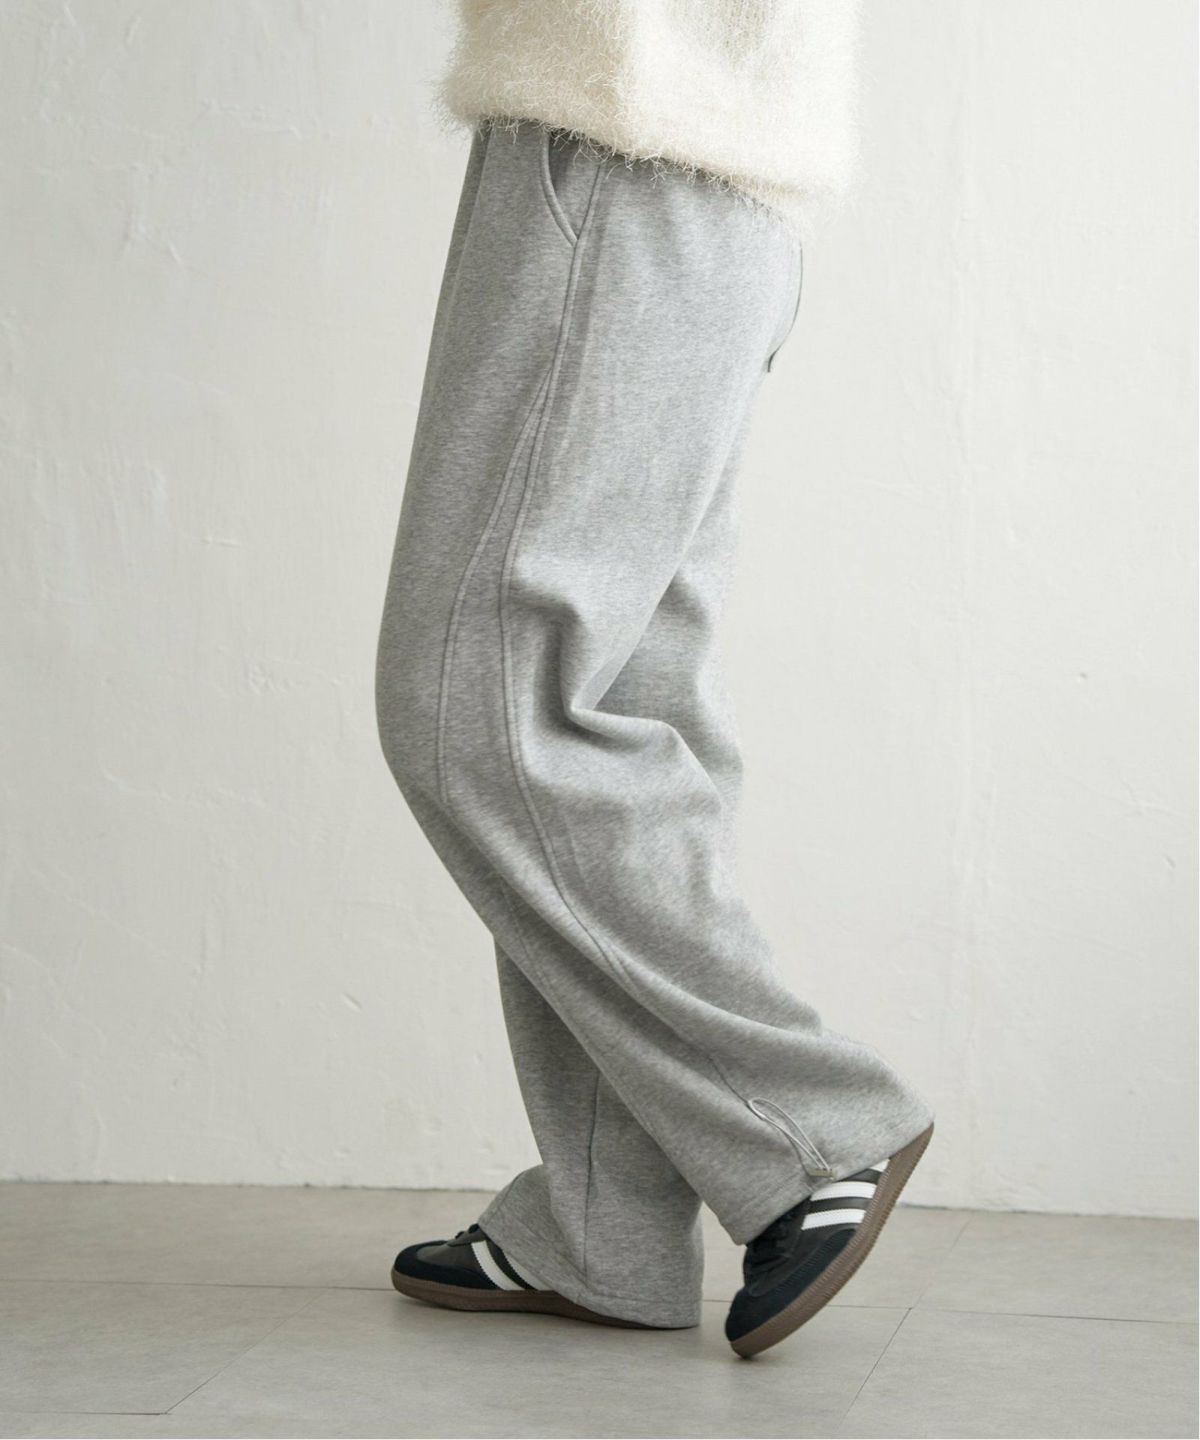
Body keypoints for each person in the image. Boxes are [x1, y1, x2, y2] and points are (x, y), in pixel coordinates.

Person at [375, 0, 934, 1359]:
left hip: (620, 137)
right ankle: (606, 1223)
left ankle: (809, 1130)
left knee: (478, 703)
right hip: (719, 179)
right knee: (610, 700)